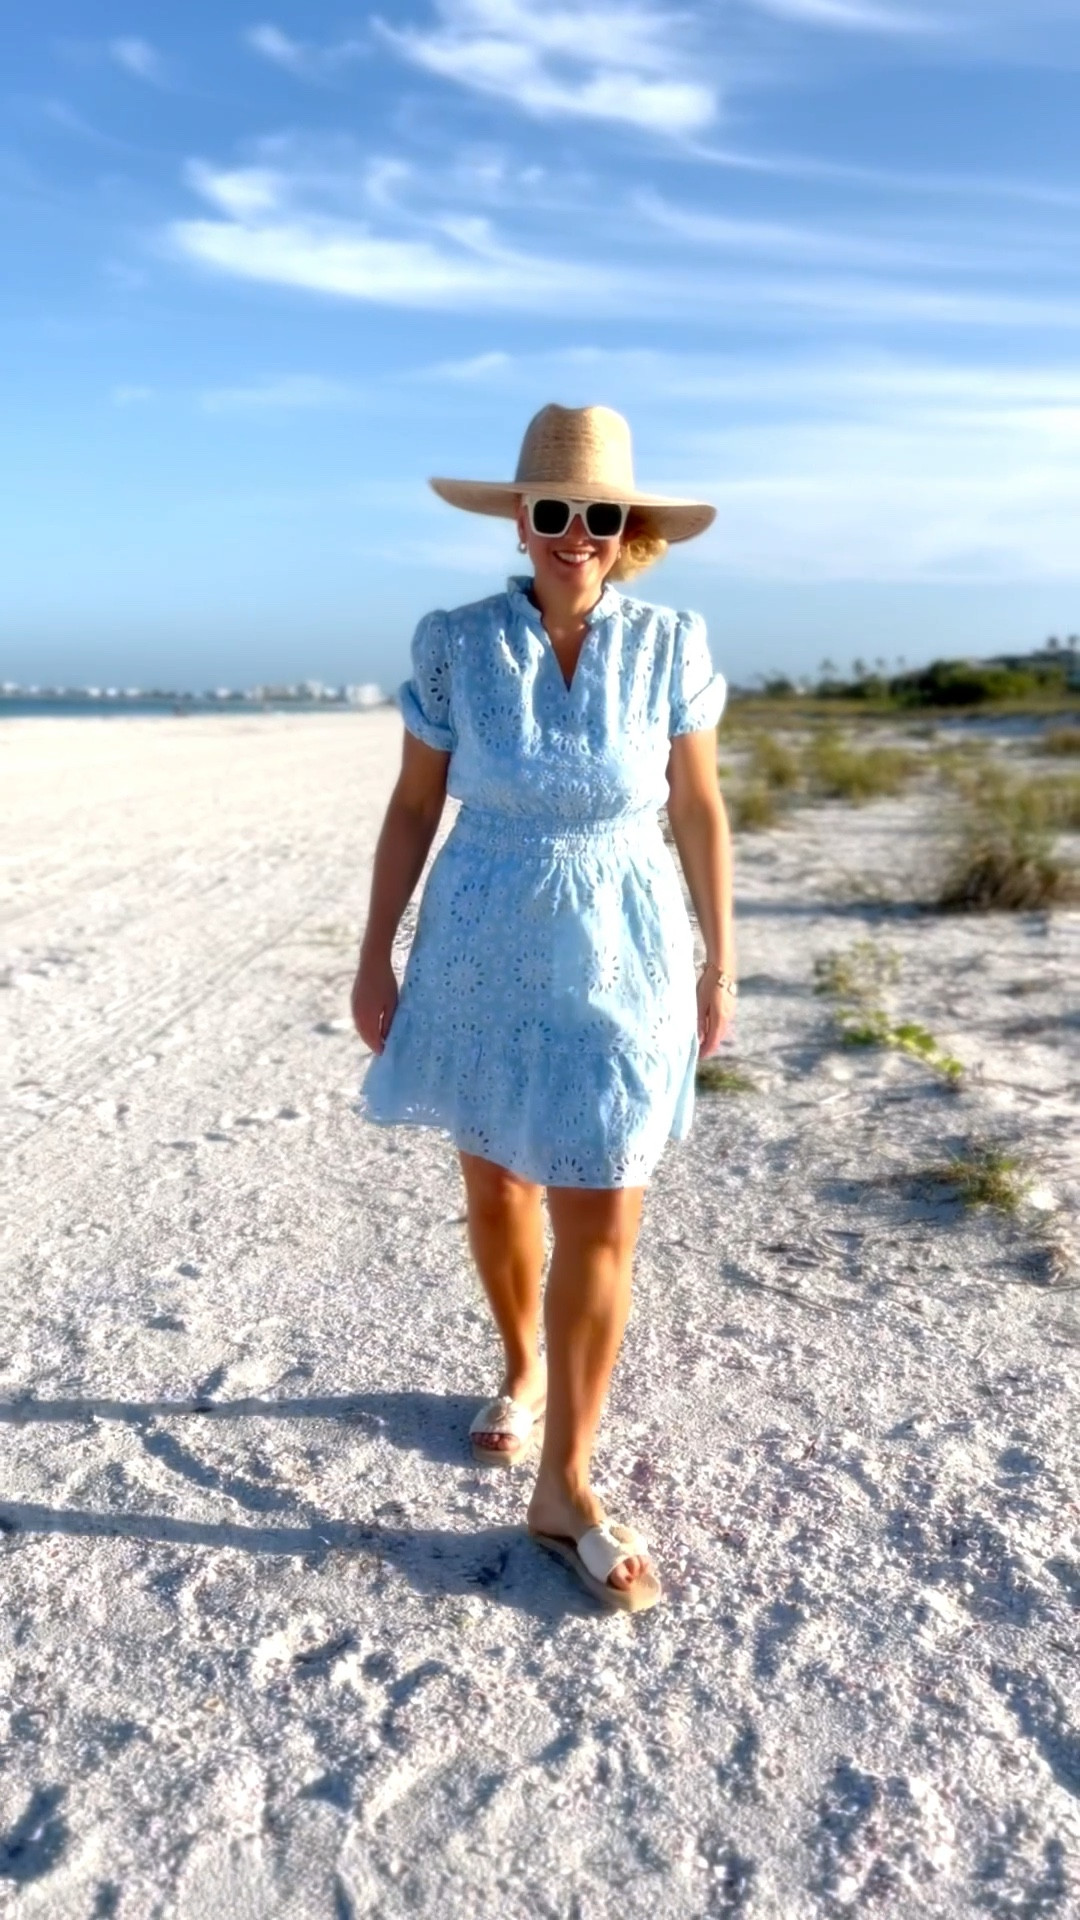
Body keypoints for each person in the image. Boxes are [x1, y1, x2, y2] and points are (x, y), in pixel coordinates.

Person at [351, 403, 735, 1614]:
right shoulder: (454, 644)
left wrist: (722, 958)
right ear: (520, 521)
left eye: (600, 515)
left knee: (604, 1200)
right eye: (554, 512)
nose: (576, 534)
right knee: (500, 1182)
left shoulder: (673, 642)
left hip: (627, 941)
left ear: (629, 530)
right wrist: (377, 954)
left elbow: (698, 810)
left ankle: (565, 1484)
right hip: (480, 936)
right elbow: (415, 808)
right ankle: (521, 1368)